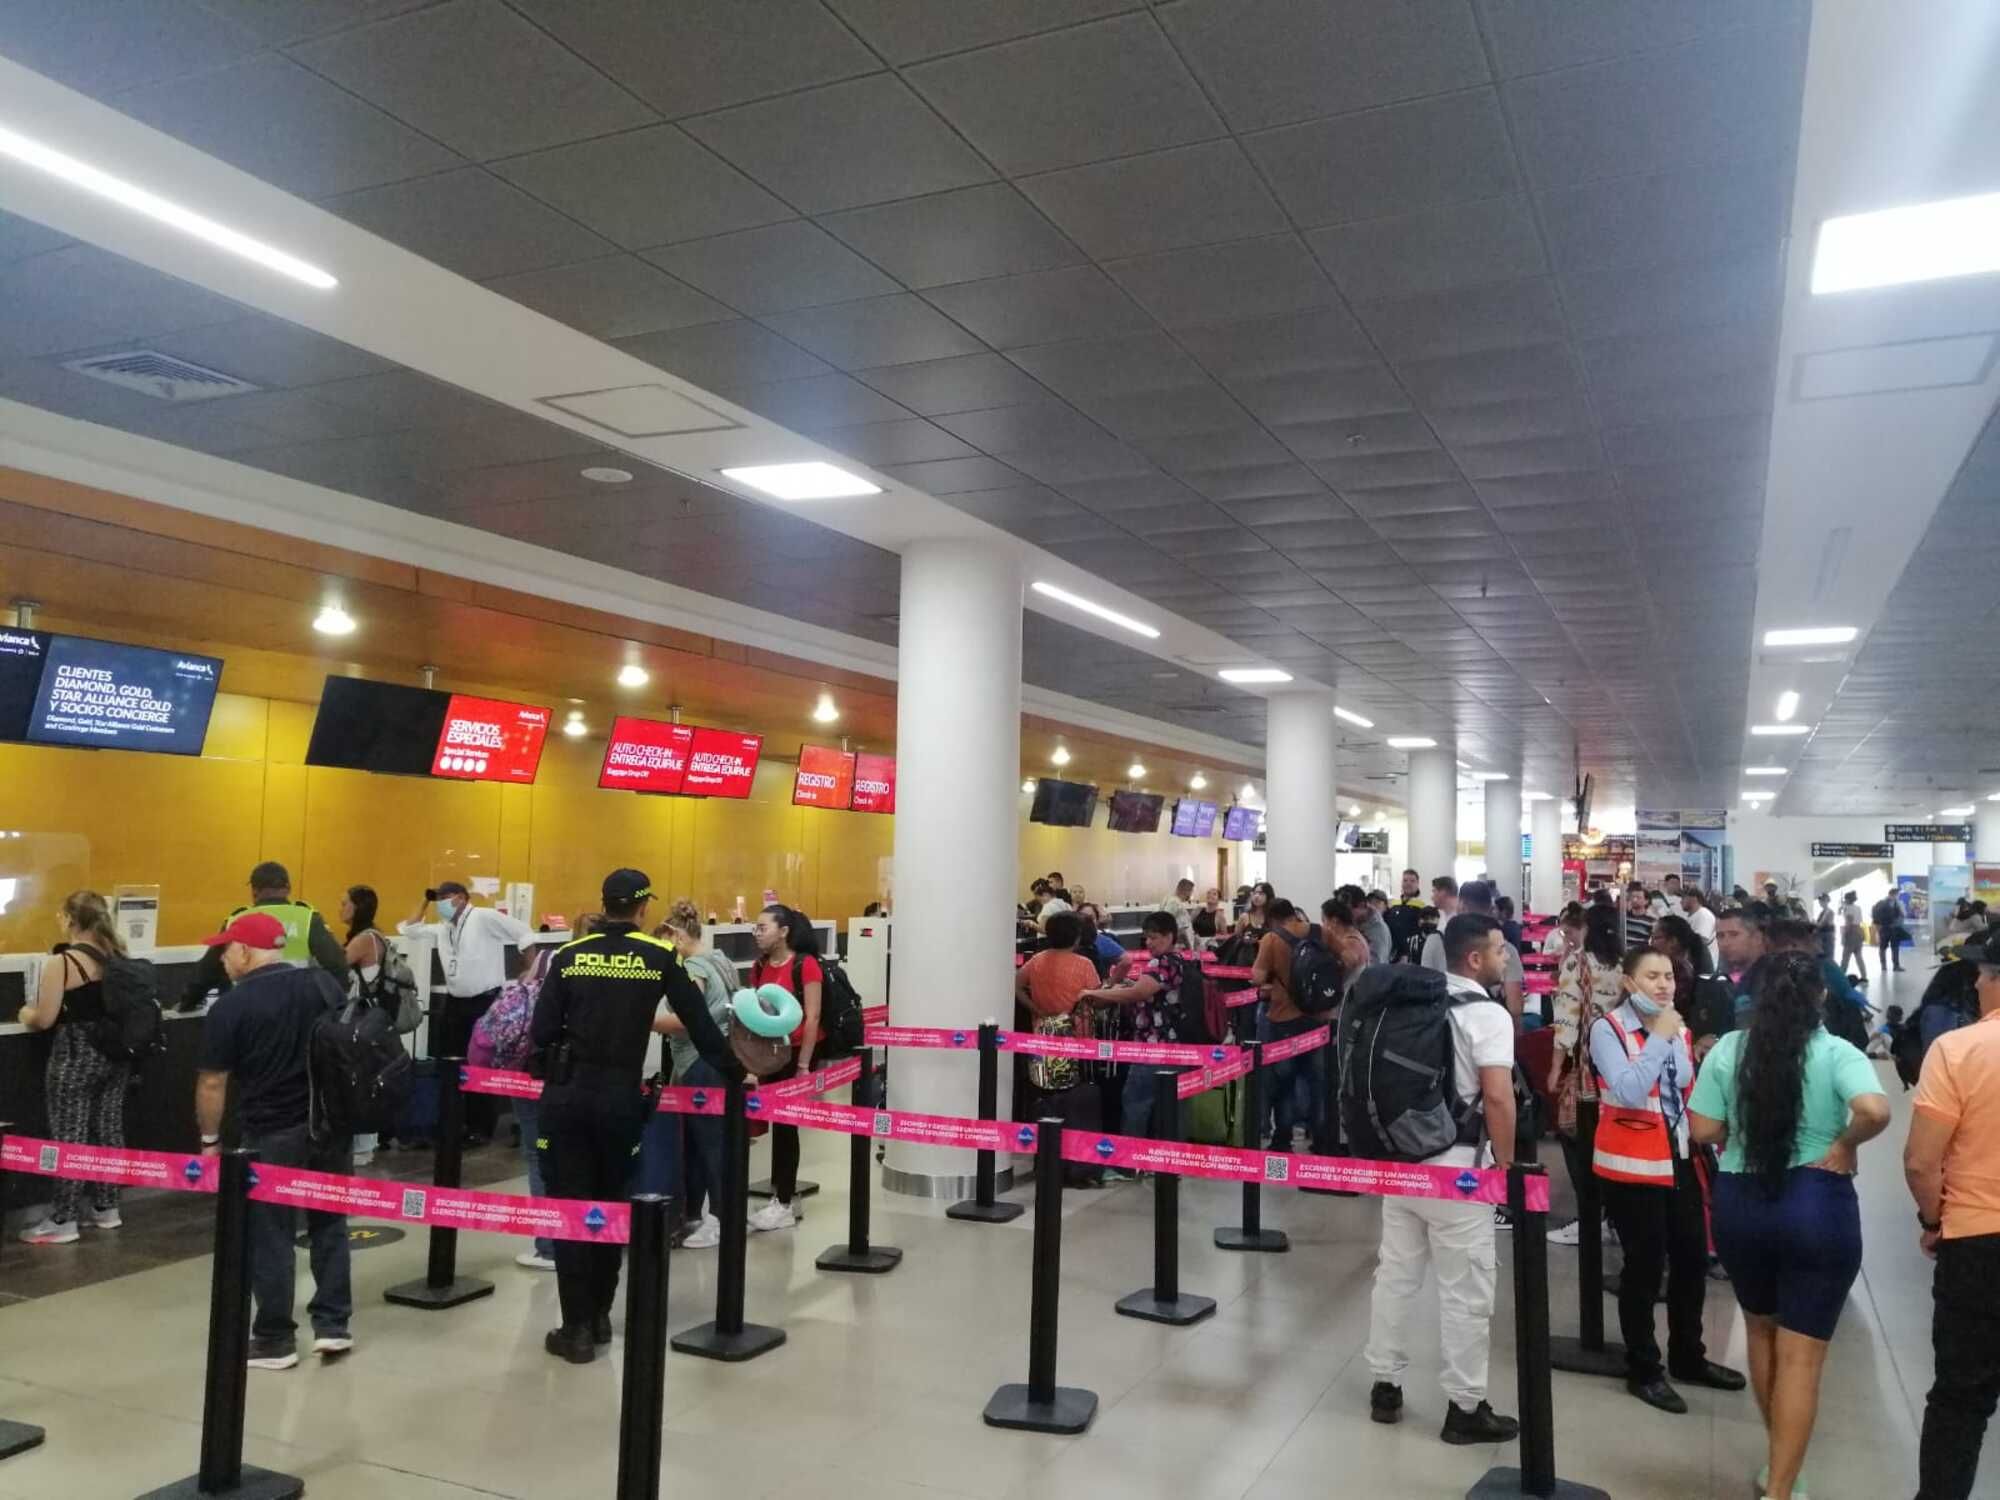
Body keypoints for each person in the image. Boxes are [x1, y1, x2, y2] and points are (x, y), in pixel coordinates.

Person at [1689, 954, 1889, 1500]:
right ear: (1819, 998)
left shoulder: (1729, 1051)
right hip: (1815, 1205)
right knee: (1803, 1355)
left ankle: (1783, 1465)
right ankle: (1781, 1488)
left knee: (1761, 1330)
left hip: (1741, 1207)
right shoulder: (1836, 1052)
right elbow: (1873, 1108)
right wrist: (1843, 1145)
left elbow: (1704, 1128)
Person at [531, 871, 741, 1362]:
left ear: (603, 905)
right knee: (608, 1208)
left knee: (570, 1212)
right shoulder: (659, 957)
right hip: (621, 1102)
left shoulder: (567, 957)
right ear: (643, 909)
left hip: (567, 1102)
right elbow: (700, 1024)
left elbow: (541, 1032)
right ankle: (601, 1314)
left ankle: (576, 1326)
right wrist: (735, 1071)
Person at [1364, 913, 1521, 1445]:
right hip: (1457, 1168)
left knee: (1396, 1273)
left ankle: (1385, 1383)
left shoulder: (1407, 1003)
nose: (1506, 958)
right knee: (1466, 1288)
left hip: (1401, 1158)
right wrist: (1506, 1165)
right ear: (1474, 958)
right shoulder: (1488, 1014)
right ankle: (1465, 1406)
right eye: (1499, 950)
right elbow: (1497, 1096)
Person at [192, 912, 355, 1370]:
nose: (223, 958)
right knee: (329, 1223)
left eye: (227, 949)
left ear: (246, 951)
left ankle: (274, 1338)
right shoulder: (324, 985)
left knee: (271, 1233)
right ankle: (333, 1327)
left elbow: (212, 1083)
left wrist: (209, 1141)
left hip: (270, 1134)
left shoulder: (232, 1006)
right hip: (329, 1127)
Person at [1589, 947, 1745, 1412]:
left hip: (1678, 1157)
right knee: (1643, 1267)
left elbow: (1683, 1089)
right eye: (1652, 976)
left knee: (1692, 1258)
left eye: (1669, 977)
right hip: (1632, 1164)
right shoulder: (1608, 1029)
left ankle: (1688, 1356)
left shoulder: (1677, 1029)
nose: (1664, 984)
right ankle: (1644, 1367)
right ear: (1630, 983)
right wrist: (1659, 1037)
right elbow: (1628, 1089)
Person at [1904, 929, 2000, 1500]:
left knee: (1961, 1400)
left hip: (1977, 1243)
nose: (1978, 983)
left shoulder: (1960, 1050)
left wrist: (1933, 1221)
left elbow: (1921, 1162)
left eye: (1984, 974)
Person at [16, 891, 133, 1246]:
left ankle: (63, 1218)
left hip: (74, 1057)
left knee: (69, 1137)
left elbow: (44, 1018)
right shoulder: (119, 957)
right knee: (108, 1129)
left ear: (70, 920)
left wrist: (25, 1013)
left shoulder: (63, 963)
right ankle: (107, 1208)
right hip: (115, 1057)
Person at [400, 880, 533, 1145]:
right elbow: (410, 929)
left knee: (479, 1064)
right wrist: (426, 900)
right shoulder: (444, 928)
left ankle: (480, 1127)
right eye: (438, 899)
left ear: (462, 897)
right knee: (452, 1062)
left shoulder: (483, 917)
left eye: (445, 898)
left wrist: (529, 971)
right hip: (455, 1002)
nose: (442, 904)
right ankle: (454, 1121)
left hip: (484, 1002)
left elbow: (525, 933)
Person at [654, 900, 738, 1250]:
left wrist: (647, 1020)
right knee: (711, 1141)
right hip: (718, 1062)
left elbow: (688, 1020)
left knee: (708, 1145)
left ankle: (717, 1218)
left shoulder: (693, 968)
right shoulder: (721, 960)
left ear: (676, 936)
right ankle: (705, 1214)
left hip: (699, 1064)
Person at [470, 942, 559, 1269]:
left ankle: (548, 1246)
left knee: (538, 1157)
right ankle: (575, 1238)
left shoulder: (524, 990)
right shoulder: (580, 994)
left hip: (524, 1081)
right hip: (568, 1086)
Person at [1078, 911, 1193, 1138]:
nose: (1149, 943)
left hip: (1153, 1046)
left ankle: (1129, 1164)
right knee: (1171, 1106)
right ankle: (1170, 1162)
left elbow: (1139, 992)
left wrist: (1095, 993)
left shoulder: (1162, 962)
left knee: (1135, 1102)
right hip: (1175, 1045)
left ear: (1169, 936)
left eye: (1154, 937)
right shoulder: (1179, 960)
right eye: (1146, 938)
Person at [744, 903, 823, 1231]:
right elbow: (755, 1014)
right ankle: (782, 1197)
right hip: (769, 1055)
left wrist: (804, 1065)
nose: (758, 934)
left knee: (787, 1129)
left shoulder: (805, 966)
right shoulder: (759, 966)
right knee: (772, 1125)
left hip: (796, 1055)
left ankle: (785, 1202)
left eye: (763, 927)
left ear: (784, 931)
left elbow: (812, 1016)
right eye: (756, 928)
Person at [180, 860, 349, 1008]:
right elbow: (337, 965)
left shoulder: (238, 919)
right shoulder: (307, 918)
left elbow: (208, 970)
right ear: (288, 888)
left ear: (254, 891)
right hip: (296, 1010)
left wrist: (187, 1002)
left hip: (248, 1008)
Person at [339, 885, 391, 1166]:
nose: (341, 908)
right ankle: (366, 1142)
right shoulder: (375, 934)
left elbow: (336, 965)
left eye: (345, 903)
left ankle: (363, 1145)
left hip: (363, 1018)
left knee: (360, 1079)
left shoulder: (363, 939)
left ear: (358, 907)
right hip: (374, 1018)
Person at [1340, 884, 1391, 963]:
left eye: (1348, 910)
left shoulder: (1378, 931)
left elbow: (1375, 966)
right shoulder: (1354, 922)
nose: (1344, 915)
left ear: (1361, 906)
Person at [1384, 869, 1425, 959]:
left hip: (1411, 956)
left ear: (1417, 884)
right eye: (1405, 880)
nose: (1408, 883)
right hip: (1391, 954)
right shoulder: (1393, 905)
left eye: (1412, 881)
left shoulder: (1422, 907)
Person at [1872, 891, 1906, 974]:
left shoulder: (1884, 903)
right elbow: (1903, 914)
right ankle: (1891, 966)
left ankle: (1889, 966)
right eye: (1897, 895)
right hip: (1889, 928)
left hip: (1888, 928)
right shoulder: (1891, 903)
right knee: (1889, 947)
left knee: (1888, 947)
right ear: (1893, 894)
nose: (1897, 896)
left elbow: (1874, 916)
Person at [1160, 877, 1198, 948]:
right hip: (1180, 944)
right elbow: (1165, 922)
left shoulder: (1170, 899)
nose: (1190, 894)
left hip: (1181, 942)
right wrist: (1187, 943)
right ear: (1187, 891)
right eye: (1191, 891)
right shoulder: (1174, 902)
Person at [1838, 892, 1867, 979]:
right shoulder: (1858, 908)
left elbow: (1849, 923)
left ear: (1847, 899)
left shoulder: (1848, 909)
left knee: (1845, 957)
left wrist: (1843, 936)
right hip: (1859, 932)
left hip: (1851, 934)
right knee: (1859, 957)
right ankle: (1864, 976)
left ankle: (1840, 977)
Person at [1625, 884, 1656, 952]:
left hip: (1638, 956)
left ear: (1646, 901)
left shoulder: (1651, 921)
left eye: (1638, 897)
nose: (1634, 900)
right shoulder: (1624, 917)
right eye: (1632, 897)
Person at [1814, 894, 1836, 962]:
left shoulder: (1828, 911)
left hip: (1827, 936)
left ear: (1826, 901)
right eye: (1820, 901)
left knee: (1828, 957)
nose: (1820, 902)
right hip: (1825, 936)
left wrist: (1815, 924)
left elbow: (1822, 923)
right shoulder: (1823, 912)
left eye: (1821, 901)